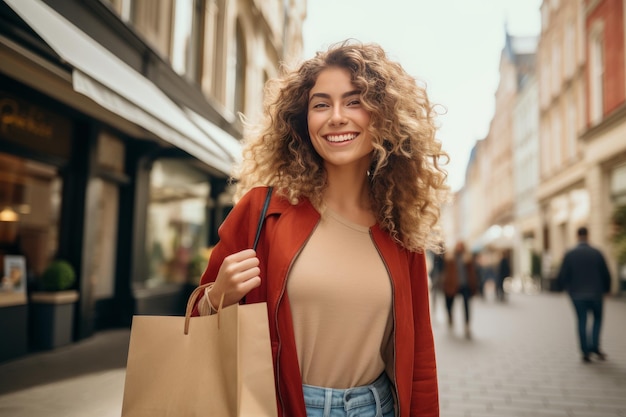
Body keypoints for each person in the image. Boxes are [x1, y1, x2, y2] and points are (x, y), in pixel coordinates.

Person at [192, 40, 448, 417]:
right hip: (279, 405)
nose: (337, 116)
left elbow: (420, 359)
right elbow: (196, 318)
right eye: (321, 104)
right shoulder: (262, 210)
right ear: (302, 120)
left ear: (383, 117)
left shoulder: (401, 228)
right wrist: (219, 295)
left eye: (355, 101)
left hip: (376, 408)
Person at [557, 226, 612, 363]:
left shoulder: (570, 254)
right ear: (588, 235)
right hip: (596, 293)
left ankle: (585, 351)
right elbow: (606, 273)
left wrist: (566, 289)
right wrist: (607, 289)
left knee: (582, 321)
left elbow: (563, 275)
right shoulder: (597, 253)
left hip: (576, 294)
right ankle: (594, 346)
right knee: (597, 319)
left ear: (577, 236)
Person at [442, 241, 478, 339]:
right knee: (449, 303)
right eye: (458, 245)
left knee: (466, 305)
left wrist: (473, 284)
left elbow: (472, 273)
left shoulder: (467, 258)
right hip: (452, 284)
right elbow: (446, 272)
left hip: (464, 285)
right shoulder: (450, 258)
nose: (459, 247)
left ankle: (467, 325)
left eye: (461, 246)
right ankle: (450, 317)